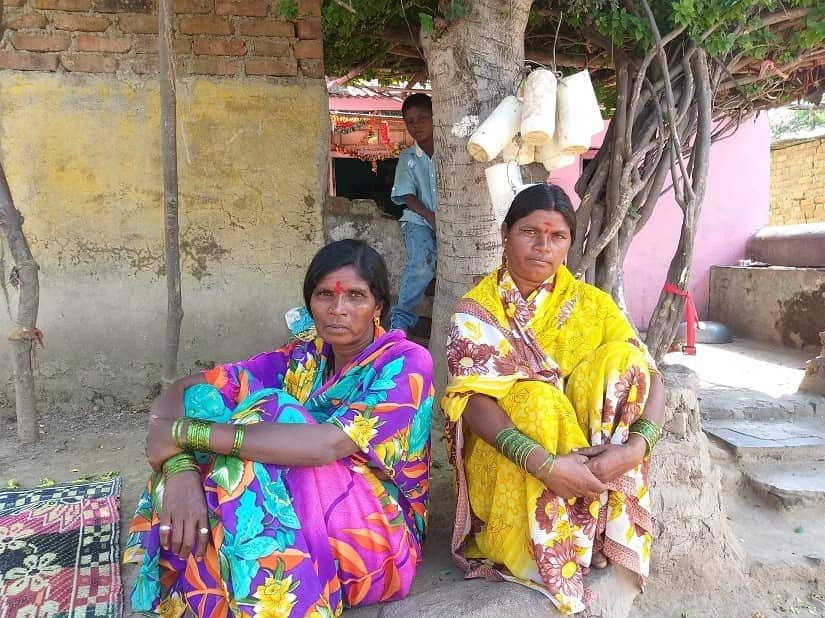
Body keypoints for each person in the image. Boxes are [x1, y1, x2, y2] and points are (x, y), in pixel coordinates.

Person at [125, 239, 434, 617]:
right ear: (310, 304)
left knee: (272, 416)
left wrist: (182, 436)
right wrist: (179, 469)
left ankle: (282, 602)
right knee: (211, 407)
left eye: (355, 296)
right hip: (310, 513)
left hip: (377, 540)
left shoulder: (406, 362)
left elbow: (325, 446)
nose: (338, 309)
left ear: (378, 307)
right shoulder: (301, 358)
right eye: (324, 296)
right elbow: (185, 388)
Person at [442, 184, 666, 615]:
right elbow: (471, 403)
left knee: (625, 362)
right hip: (512, 457)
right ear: (505, 234)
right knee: (538, 400)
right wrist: (545, 465)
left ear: (569, 244)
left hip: (590, 456)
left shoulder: (592, 305)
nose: (542, 247)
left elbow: (654, 379)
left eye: (557, 236)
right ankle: (548, 541)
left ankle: (597, 527)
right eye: (529, 232)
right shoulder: (477, 310)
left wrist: (633, 450)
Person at [389, 93, 437, 333]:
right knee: (423, 262)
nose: (416, 125)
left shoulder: (451, 154)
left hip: (449, 222)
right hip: (418, 220)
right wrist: (431, 217)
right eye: (410, 121)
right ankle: (400, 322)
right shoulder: (407, 158)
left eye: (422, 118)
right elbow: (407, 196)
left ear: (435, 117)